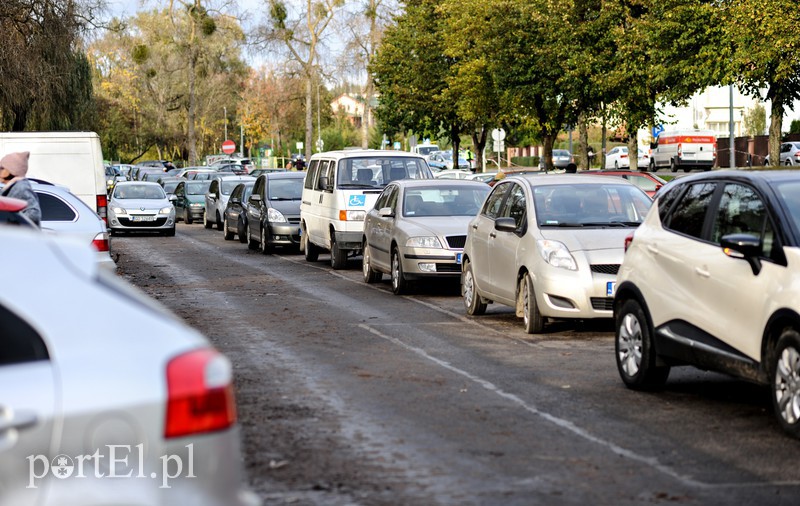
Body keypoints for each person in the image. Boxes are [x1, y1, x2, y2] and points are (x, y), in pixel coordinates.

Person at [0, 151, 41, 226]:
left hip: (22, 236)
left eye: (2, 168)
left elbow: (34, 214)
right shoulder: (13, 187)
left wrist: (12, 223)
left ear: (11, 170)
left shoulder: (21, 187)